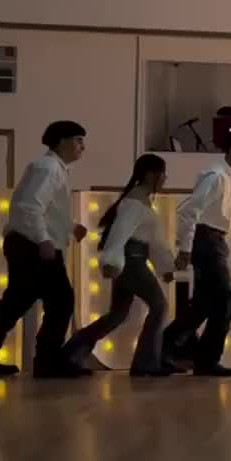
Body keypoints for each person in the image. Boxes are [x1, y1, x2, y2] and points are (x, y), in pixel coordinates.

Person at [0, 119, 89, 378]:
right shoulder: (47, 168)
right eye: (78, 140)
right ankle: (47, 361)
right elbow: (28, 207)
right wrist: (44, 239)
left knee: (18, 301)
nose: (82, 146)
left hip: (28, 242)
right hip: (32, 244)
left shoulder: (54, 169)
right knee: (60, 301)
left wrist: (70, 226)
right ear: (62, 141)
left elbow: (46, 209)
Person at [66, 154, 175, 378]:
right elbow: (120, 234)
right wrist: (111, 261)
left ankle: (70, 354)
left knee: (117, 315)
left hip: (132, 260)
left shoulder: (141, 200)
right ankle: (146, 363)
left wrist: (165, 267)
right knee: (159, 306)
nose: (165, 178)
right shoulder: (135, 202)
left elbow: (152, 240)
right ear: (149, 174)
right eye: (161, 173)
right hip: (132, 262)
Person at [162, 128, 231, 376]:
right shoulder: (215, 177)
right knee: (226, 301)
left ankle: (167, 349)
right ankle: (205, 360)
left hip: (217, 241)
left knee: (203, 303)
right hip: (206, 240)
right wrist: (185, 248)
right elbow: (188, 212)